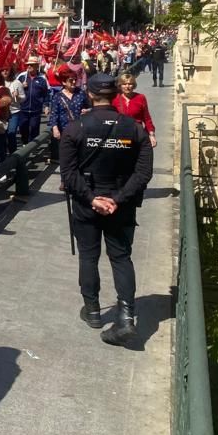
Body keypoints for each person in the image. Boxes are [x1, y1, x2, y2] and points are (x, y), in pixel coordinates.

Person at [60, 73, 153, 346]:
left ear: (89, 94)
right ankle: (126, 317)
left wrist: (91, 199)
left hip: (86, 204)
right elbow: (144, 172)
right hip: (120, 205)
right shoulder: (135, 129)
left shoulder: (75, 128)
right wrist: (119, 198)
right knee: (121, 258)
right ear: (115, 94)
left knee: (88, 256)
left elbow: (68, 173)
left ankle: (92, 311)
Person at [49, 66, 91, 151]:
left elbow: (91, 107)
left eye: (75, 79)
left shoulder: (81, 93)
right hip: (64, 131)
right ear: (64, 82)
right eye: (71, 80)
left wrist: (87, 110)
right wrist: (55, 128)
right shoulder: (57, 96)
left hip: (80, 129)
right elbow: (54, 114)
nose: (74, 82)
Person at [113, 74, 157, 148]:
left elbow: (146, 118)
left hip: (137, 133)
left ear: (134, 85)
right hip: (120, 135)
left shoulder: (141, 98)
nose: (127, 86)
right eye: (124, 84)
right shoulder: (115, 99)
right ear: (120, 86)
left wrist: (151, 134)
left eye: (130, 84)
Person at [17, 56, 48, 144]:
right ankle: (25, 144)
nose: (29, 66)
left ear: (36, 66)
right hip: (23, 109)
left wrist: (46, 105)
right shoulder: (22, 77)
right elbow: (14, 90)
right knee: (23, 128)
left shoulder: (42, 78)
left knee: (34, 128)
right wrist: (21, 87)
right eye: (28, 65)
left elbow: (46, 93)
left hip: (36, 109)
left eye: (32, 65)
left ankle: (33, 146)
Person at [0, 66, 25, 153]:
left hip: (14, 112)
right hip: (1, 112)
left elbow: (23, 98)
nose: (5, 71)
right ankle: (3, 154)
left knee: (11, 133)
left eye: (7, 69)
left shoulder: (17, 82)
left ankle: (13, 154)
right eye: (3, 70)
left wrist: (18, 96)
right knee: (2, 133)